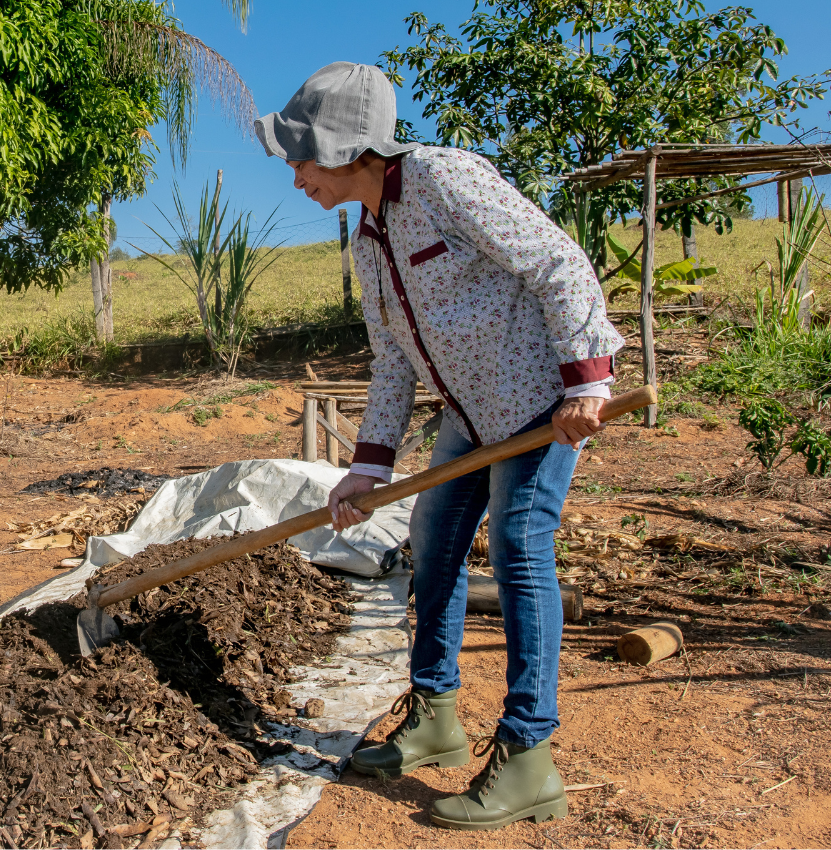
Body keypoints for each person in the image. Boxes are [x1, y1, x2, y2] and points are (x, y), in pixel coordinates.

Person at [255, 63, 623, 830]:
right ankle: (435, 717)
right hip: (467, 414)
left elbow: (557, 260)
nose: (294, 177)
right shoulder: (367, 238)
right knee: (432, 543)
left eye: (301, 158)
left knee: (521, 546)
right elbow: (393, 359)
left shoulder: (445, 179)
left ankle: (529, 758)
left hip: (538, 404)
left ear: (344, 146)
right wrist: (367, 467)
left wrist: (588, 377)